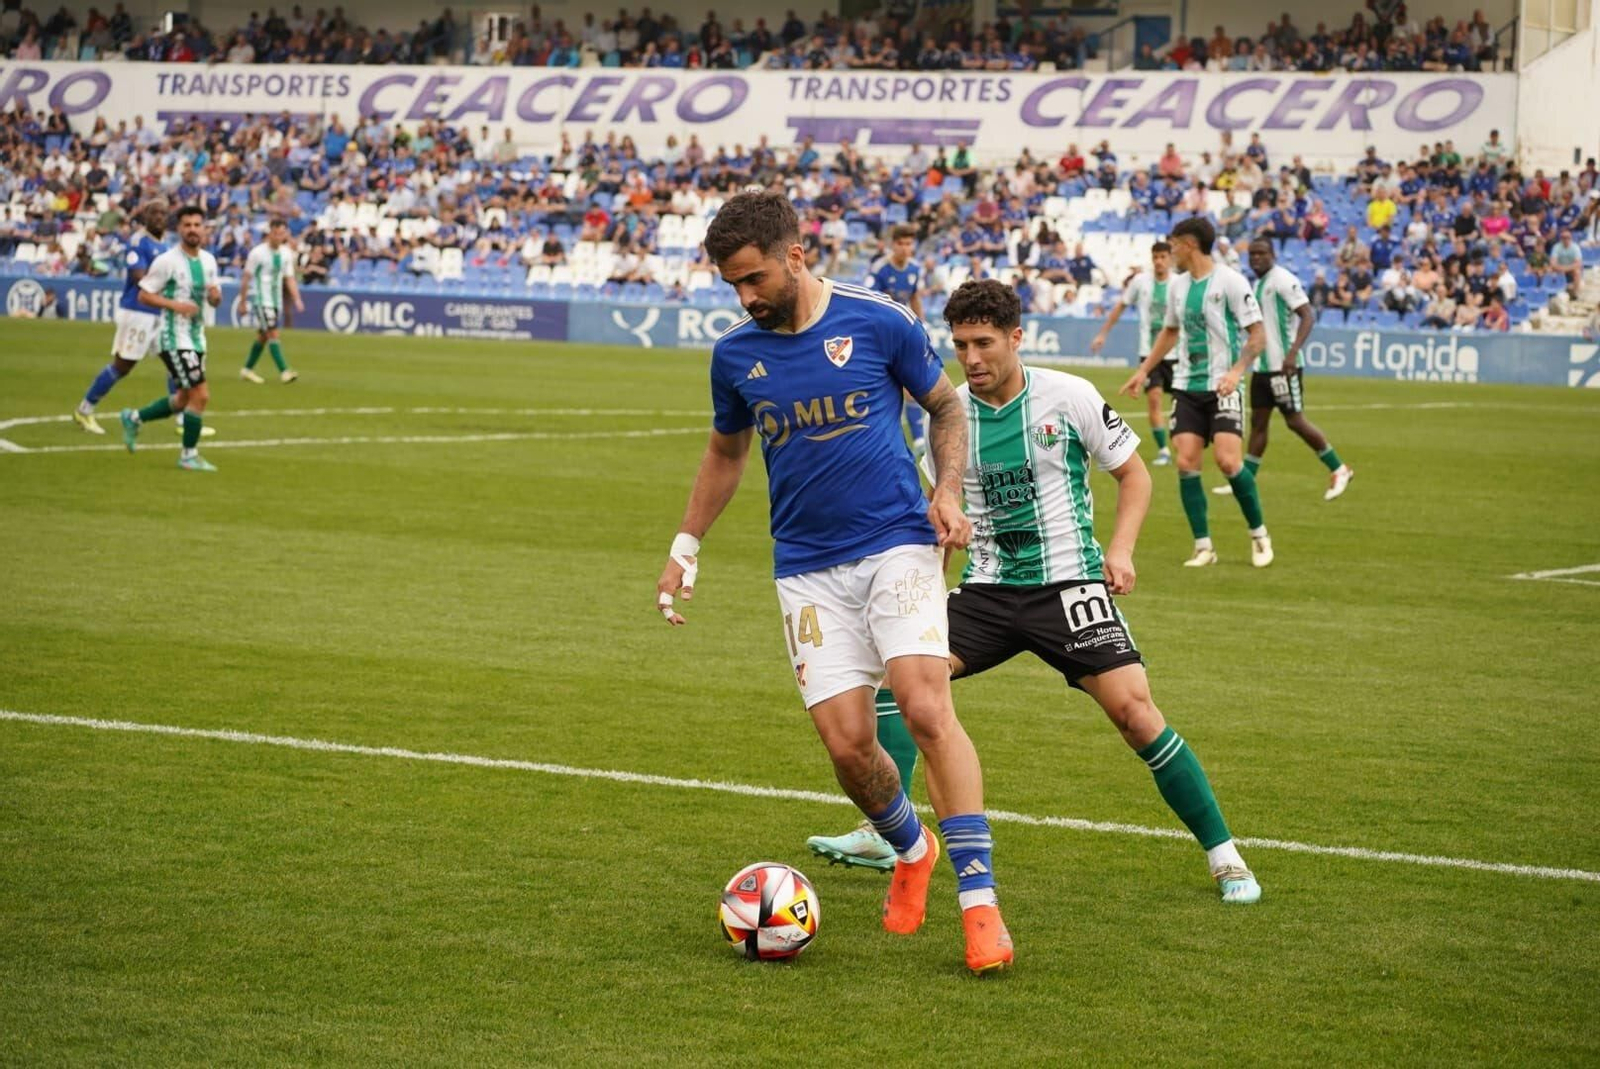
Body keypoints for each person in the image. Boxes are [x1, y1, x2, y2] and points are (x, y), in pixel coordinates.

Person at [807, 280, 1263, 906]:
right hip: (987, 592)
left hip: (1068, 585)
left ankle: (1224, 854)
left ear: (1016, 338)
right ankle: (885, 834)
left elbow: (1132, 475)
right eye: (960, 344)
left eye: (984, 343)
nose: (970, 358)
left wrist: (1121, 550)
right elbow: (938, 518)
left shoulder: (1069, 396)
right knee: (896, 683)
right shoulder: (948, 419)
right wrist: (940, 557)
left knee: (1134, 712)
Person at [654, 192, 1013, 974]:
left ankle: (980, 904)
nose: (746, 297)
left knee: (923, 701)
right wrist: (686, 543)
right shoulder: (735, 355)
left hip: (897, 541)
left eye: (753, 278)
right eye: (732, 285)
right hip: (806, 566)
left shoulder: (878, 319)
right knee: (848, 747)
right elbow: (725, 454)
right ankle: (911, 848)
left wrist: (946, 491)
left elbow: (946, 408)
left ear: (798, 253)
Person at [1118, 217, 1273, 568]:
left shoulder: (1231, 282)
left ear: (1188, 244)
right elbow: (1170, 332)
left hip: (1223, 384)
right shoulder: (1178, 287)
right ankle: (1204, 546)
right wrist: (1143, 371)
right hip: (1187, 386)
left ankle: (1259, 533)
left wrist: (1236, 372)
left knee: (1228, 461)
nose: (1169, 252)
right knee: (1186, 461)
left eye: (1173, 245)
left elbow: (1257, 335)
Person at [1243, 239, 1355, 501]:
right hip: (1262, 367)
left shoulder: (1283, 279)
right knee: (1258, 423)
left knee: (1295, 420)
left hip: (1283, 366)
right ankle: (1245, 480)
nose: (1256, 258)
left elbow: (1307, 314)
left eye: (1261, 253)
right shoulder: (1258, 284)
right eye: (1252, 254)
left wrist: (1292, 352)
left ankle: (1339, 469)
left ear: (1273, 255)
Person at [119, 205, 223, 473]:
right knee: (201, 395)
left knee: (182, 399)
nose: (192, 230)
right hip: (172, 335)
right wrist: (176, 306)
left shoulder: (209, 261)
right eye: (187, 225)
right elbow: (143, 294)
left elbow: (214, 296)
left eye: (197, 225)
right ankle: (189, 455)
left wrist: (215, 298)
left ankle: (133, 418)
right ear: (178, 229)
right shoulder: (166, 261)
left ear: (204, 228)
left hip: (196, 337)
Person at [72, 200, 175, 434]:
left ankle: (182, 420)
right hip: (137, 311)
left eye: (163, 213)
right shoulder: (138, 242)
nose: (159, 217)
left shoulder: (166, 246)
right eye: (154, 213)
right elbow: (141, 278)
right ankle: (84, 410)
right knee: (123, 365)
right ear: (146, 217)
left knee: (175, 363)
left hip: (159, 312)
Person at [1089, 241, 1175, 466]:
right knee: (1154, 399)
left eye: (1163, 257)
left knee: (1181, 403)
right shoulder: (1140, 282)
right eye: (1155, 257)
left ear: (1170, 258)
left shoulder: (1179, 283)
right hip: (1149, 353)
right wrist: (1103, 333)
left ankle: (1184, 441)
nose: (1159, 261)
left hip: (1178, 353)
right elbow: (1121, 305)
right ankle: (1164, 449)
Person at [868, 222, 929, 456]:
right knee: (884, 385)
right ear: (893, 245)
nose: (905, 248)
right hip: (882, 333)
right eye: (901, 243)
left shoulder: (914, 269)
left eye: (909, 243)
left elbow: (914, 298)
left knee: (911, 386)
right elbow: (873, 301)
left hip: (905, 332)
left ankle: (919, 439)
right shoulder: (880, 269)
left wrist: (922, 327)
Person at [237, 217, 304, 384]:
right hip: (261, 300)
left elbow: (289, 278)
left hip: (276, 302)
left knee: (263, 336)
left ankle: (247, 369)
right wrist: (243, 301)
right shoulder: (257, 253)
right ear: (270, 233)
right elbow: (246, 277)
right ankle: (284, 371)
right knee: (273, 333)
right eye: (275, 233)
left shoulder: (286, 253)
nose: (278, 237)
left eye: (282, 233)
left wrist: (297, 299)